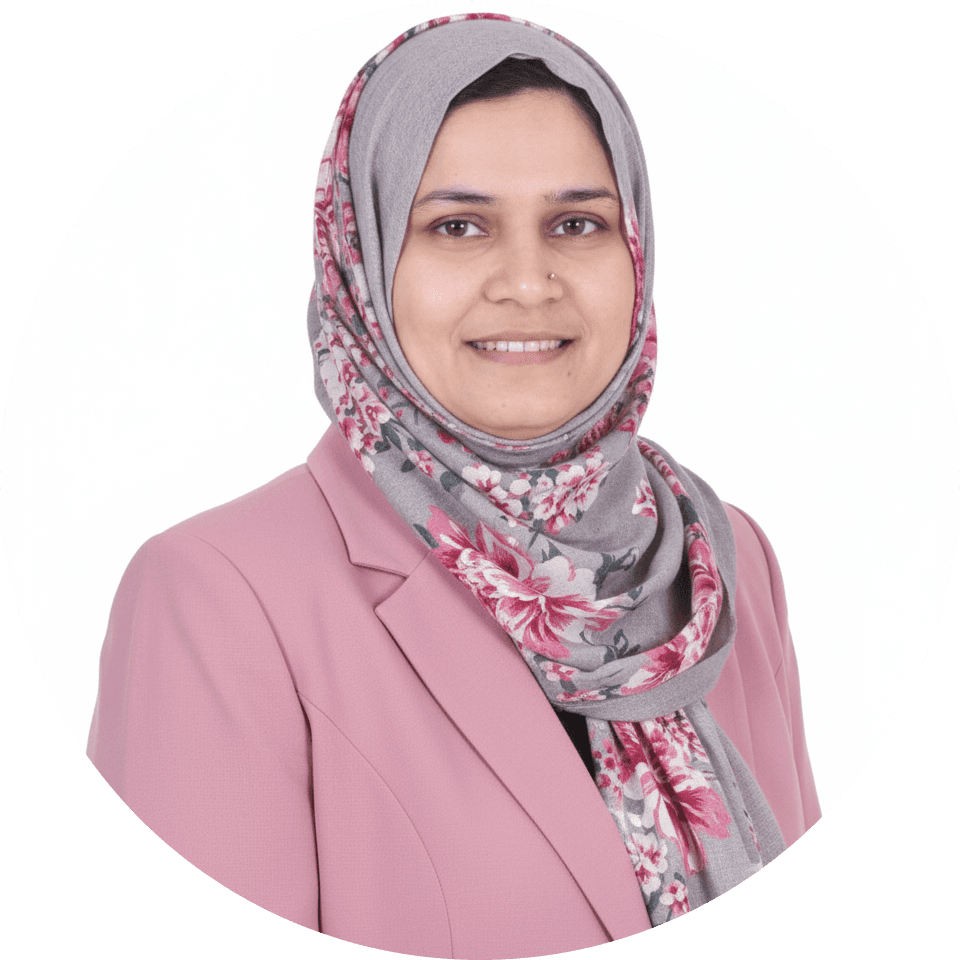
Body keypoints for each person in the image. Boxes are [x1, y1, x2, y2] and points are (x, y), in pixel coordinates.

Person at [87, 13, 819, 956]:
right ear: (363, 257)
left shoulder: (722, 559)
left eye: (578, 222)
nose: (529, 280)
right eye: (458, 225)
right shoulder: (217, 597)